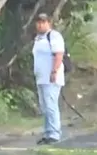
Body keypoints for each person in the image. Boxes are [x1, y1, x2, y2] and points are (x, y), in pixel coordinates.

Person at [32, 13, 65, 145]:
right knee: (44, 106)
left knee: (51, 105)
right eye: (38, 22)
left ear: (49, 23)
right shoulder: (38, 38)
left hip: (51, 77)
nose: (40, 25)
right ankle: (47, 133)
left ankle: (54, 134)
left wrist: (54, 71)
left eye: (43, 22)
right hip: (41, 78)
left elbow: (59, 55)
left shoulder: (54, 36)